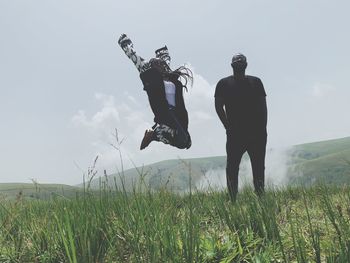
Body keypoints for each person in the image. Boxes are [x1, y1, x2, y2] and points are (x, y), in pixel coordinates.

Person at [118, 34, 192, 150]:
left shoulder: (171, 79)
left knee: (186, 142)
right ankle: (154, 135)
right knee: (182, 141)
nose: (162, 66)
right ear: (153, 67)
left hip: (178, 113)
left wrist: (163, 54)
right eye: (159, 64)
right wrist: (126, 44)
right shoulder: (152, 77)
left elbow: (166, 60)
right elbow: (135, 59)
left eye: (162, 64)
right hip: (163, 111)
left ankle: (157, 133)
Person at [215, 53, 267, 200]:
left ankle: (256, 196)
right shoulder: (225, 84)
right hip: (243, 133)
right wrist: (228, 127)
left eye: (240, 62)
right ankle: (236, 198)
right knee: (237, 167)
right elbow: (218, 107)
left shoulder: (255, 82)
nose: (239, 65)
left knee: (249, 167)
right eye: (238, 63)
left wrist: (228, 127)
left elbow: (219, 107)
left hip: (249, 133)